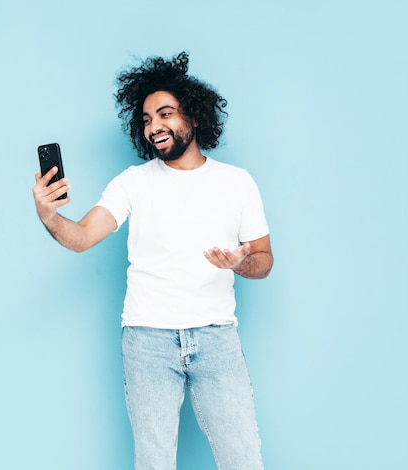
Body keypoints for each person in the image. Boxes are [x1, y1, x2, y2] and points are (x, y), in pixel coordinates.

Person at [32, 51, 272, 470]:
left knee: (244, 459)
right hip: (146, 340)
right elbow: (82, 236)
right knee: (154, 462)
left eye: (165, 114)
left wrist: (239, 264)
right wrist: (49, 216)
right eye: (145, 119)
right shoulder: (133, 183)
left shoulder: (237, 183)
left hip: (217, 339)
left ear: (194, 118)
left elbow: (264, 260)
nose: (154, 127)